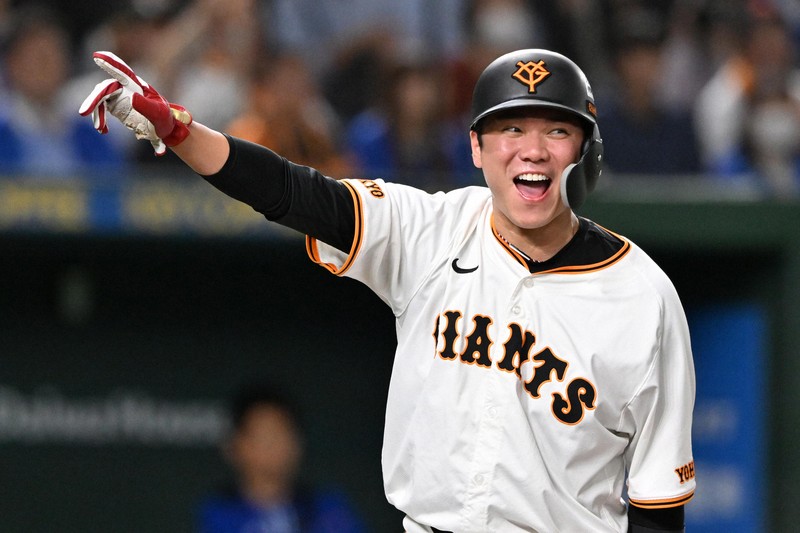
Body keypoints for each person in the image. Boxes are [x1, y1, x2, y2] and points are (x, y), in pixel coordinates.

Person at [79, 47, 696, 532]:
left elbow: (658, 502)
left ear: (586, 150)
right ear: (476, 148)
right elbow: (295, 192)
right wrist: (181, 132)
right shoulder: (431, 229)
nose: (531, 151)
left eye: (556, 131)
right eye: (510, 129)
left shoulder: (643, 297)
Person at [197, 382, 367, 533]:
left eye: (284, 434)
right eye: (266, 437)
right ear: (235, 445)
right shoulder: (220, 513)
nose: (278, 446)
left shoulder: (327, 509)